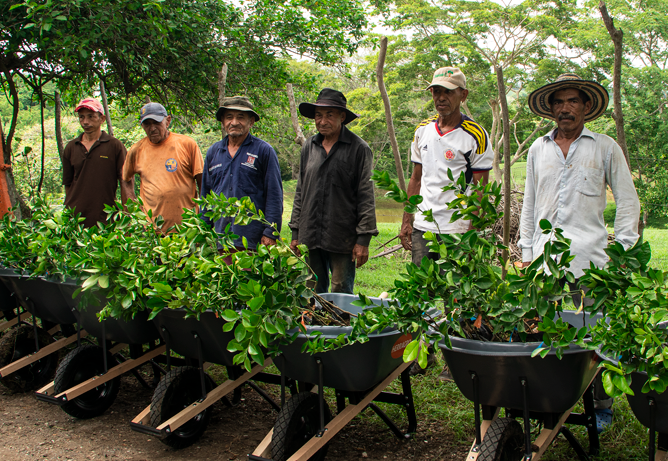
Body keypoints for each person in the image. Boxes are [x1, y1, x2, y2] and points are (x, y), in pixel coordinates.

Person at [518, 73, 641, 433]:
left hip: (591, 259)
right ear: (551, 109)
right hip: (545, 260)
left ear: (587, 107)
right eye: (559, 102)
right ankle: (552, 400)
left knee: (596, 335)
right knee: (546, 332)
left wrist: (624, 250)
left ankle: (600, 406)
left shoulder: (604, 147)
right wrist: (526, 251)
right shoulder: (539, 148)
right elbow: (529, 204)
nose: (565, 109)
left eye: (573, 101)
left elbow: (628, 201)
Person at [399, 66, 493, 266]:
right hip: (423, 227)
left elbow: (481, 189)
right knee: (421, 291)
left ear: (463, 95)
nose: (441, 97)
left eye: (448, 92)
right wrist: (407, 220)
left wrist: (472, 234)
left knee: (455, 293)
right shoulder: (422, 131)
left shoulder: (475, 135)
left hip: (457, 231)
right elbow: (416, 179)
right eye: (437, 91)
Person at [289, 88, 378, 294]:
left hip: (342, 236)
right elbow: (301, 192)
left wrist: (363, 240)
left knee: (340, 290)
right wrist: (296, 231)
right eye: (318, 116)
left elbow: (366, 195)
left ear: (342, 117)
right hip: (310, 233)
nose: (322, 121)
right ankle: (314, 326)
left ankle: (341, 326)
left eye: (329, 115)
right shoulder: (309, 147)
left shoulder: (359, 148)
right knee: (311, 289)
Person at [200, 96, 283, 250]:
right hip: (221, 237)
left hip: (253, 237)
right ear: (223, 121)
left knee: (249, 273)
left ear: (251, 122)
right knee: (224, 274)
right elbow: (206, 194)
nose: (234, 122)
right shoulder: (213, 152)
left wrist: (271, 232)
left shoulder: (263, 151)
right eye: (229, 117)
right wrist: (202, 229)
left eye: (241, 117)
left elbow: (274, 195)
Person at [123, 102, 204, 232]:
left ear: (167, 121)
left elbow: (202, 181)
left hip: (187, 228)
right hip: (152, 231)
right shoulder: (136, 150)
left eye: (156, 123)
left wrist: (204, 216)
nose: (152, 128)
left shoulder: (187, 144)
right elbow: (126, 179)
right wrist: (134, 212)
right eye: (147, 124)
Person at [61, 97, 130, 227]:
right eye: (81, 117)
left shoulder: (114, 146)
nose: (85, 122)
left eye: (91, 117)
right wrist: (70, 210)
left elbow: (125, 182)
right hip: (76, 219)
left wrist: (126, 216)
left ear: (102, 119)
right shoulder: (72, 147)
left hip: (105, 218)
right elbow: (68, 184)